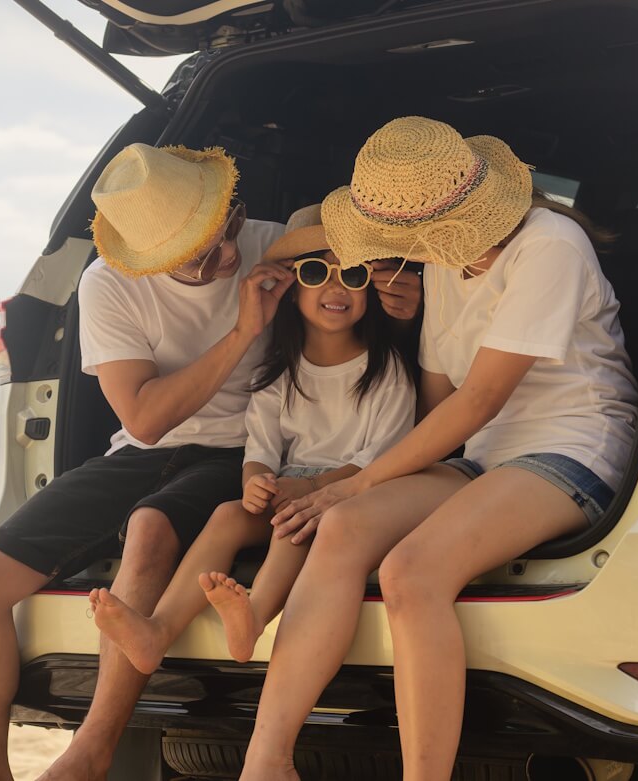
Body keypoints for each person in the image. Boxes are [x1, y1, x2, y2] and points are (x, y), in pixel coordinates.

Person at [236, 116, 638, 781]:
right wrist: (409, 318)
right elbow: (440, 407)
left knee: (409, 571)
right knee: (339, 528)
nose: (387, 255)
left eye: (394, 241)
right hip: (482, 453)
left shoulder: (550, 245)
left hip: (572, 444)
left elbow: (479, 400)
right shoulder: (444, 267)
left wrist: (358, 480)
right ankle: (267, 760)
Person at [0, 142, 295, 781]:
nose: (225, 258)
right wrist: (243, 331)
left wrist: (296, 235)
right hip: (145, 448)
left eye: (228, 233)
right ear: (152, 258)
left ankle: (92, 751)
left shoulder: (263, 238)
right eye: (197, 258)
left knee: (150, 527)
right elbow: (143, 418)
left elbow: (348, 231)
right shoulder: (108, 283)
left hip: (245, 450)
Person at [84, 217, 416, 675]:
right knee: (227, 515)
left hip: (355, 495)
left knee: (288, 527)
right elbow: (260, 445)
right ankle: (157, 630)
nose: (336, 288)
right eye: (317, 273)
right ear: (291, 287)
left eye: (354, 275)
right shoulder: (280, 373)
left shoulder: (387, 373)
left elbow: (381, 460)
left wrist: (313, 487)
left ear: (372, 290)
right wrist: (255, 482)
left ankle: (254, 614)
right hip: (289, 490)